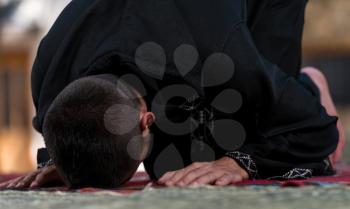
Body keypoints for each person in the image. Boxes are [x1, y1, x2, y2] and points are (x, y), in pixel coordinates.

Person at [0, 0, 344, 189]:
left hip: (243, 15)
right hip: (172, 29)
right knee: (175, 169)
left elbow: (316, 130)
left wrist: (237, 163)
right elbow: (80, 127)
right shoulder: (51, 71)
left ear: (147, 120)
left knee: (229, 149)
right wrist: (74, 160)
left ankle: (308, 85)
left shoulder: (223, 59)